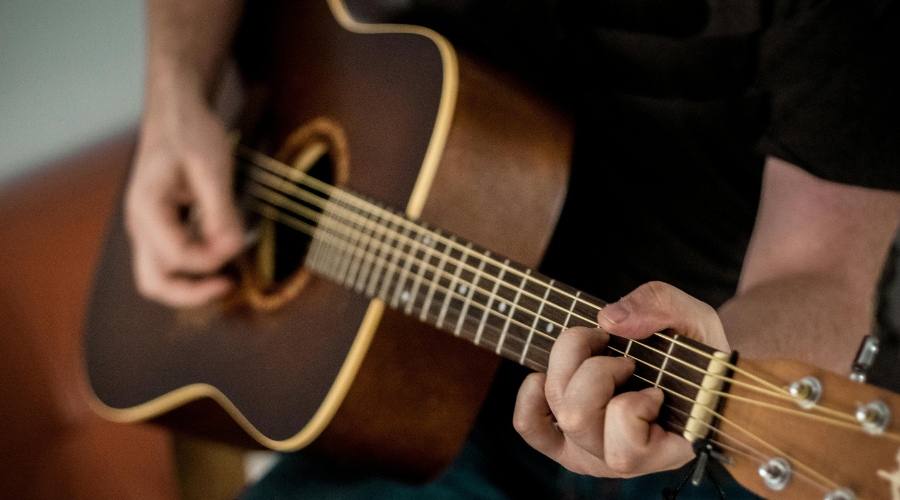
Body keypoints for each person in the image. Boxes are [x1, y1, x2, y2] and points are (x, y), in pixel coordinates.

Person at [124, 0, 900, 497]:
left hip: (672, 412)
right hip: (402, 397)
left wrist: (704, 381)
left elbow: (824, 273)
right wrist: (174, 94)